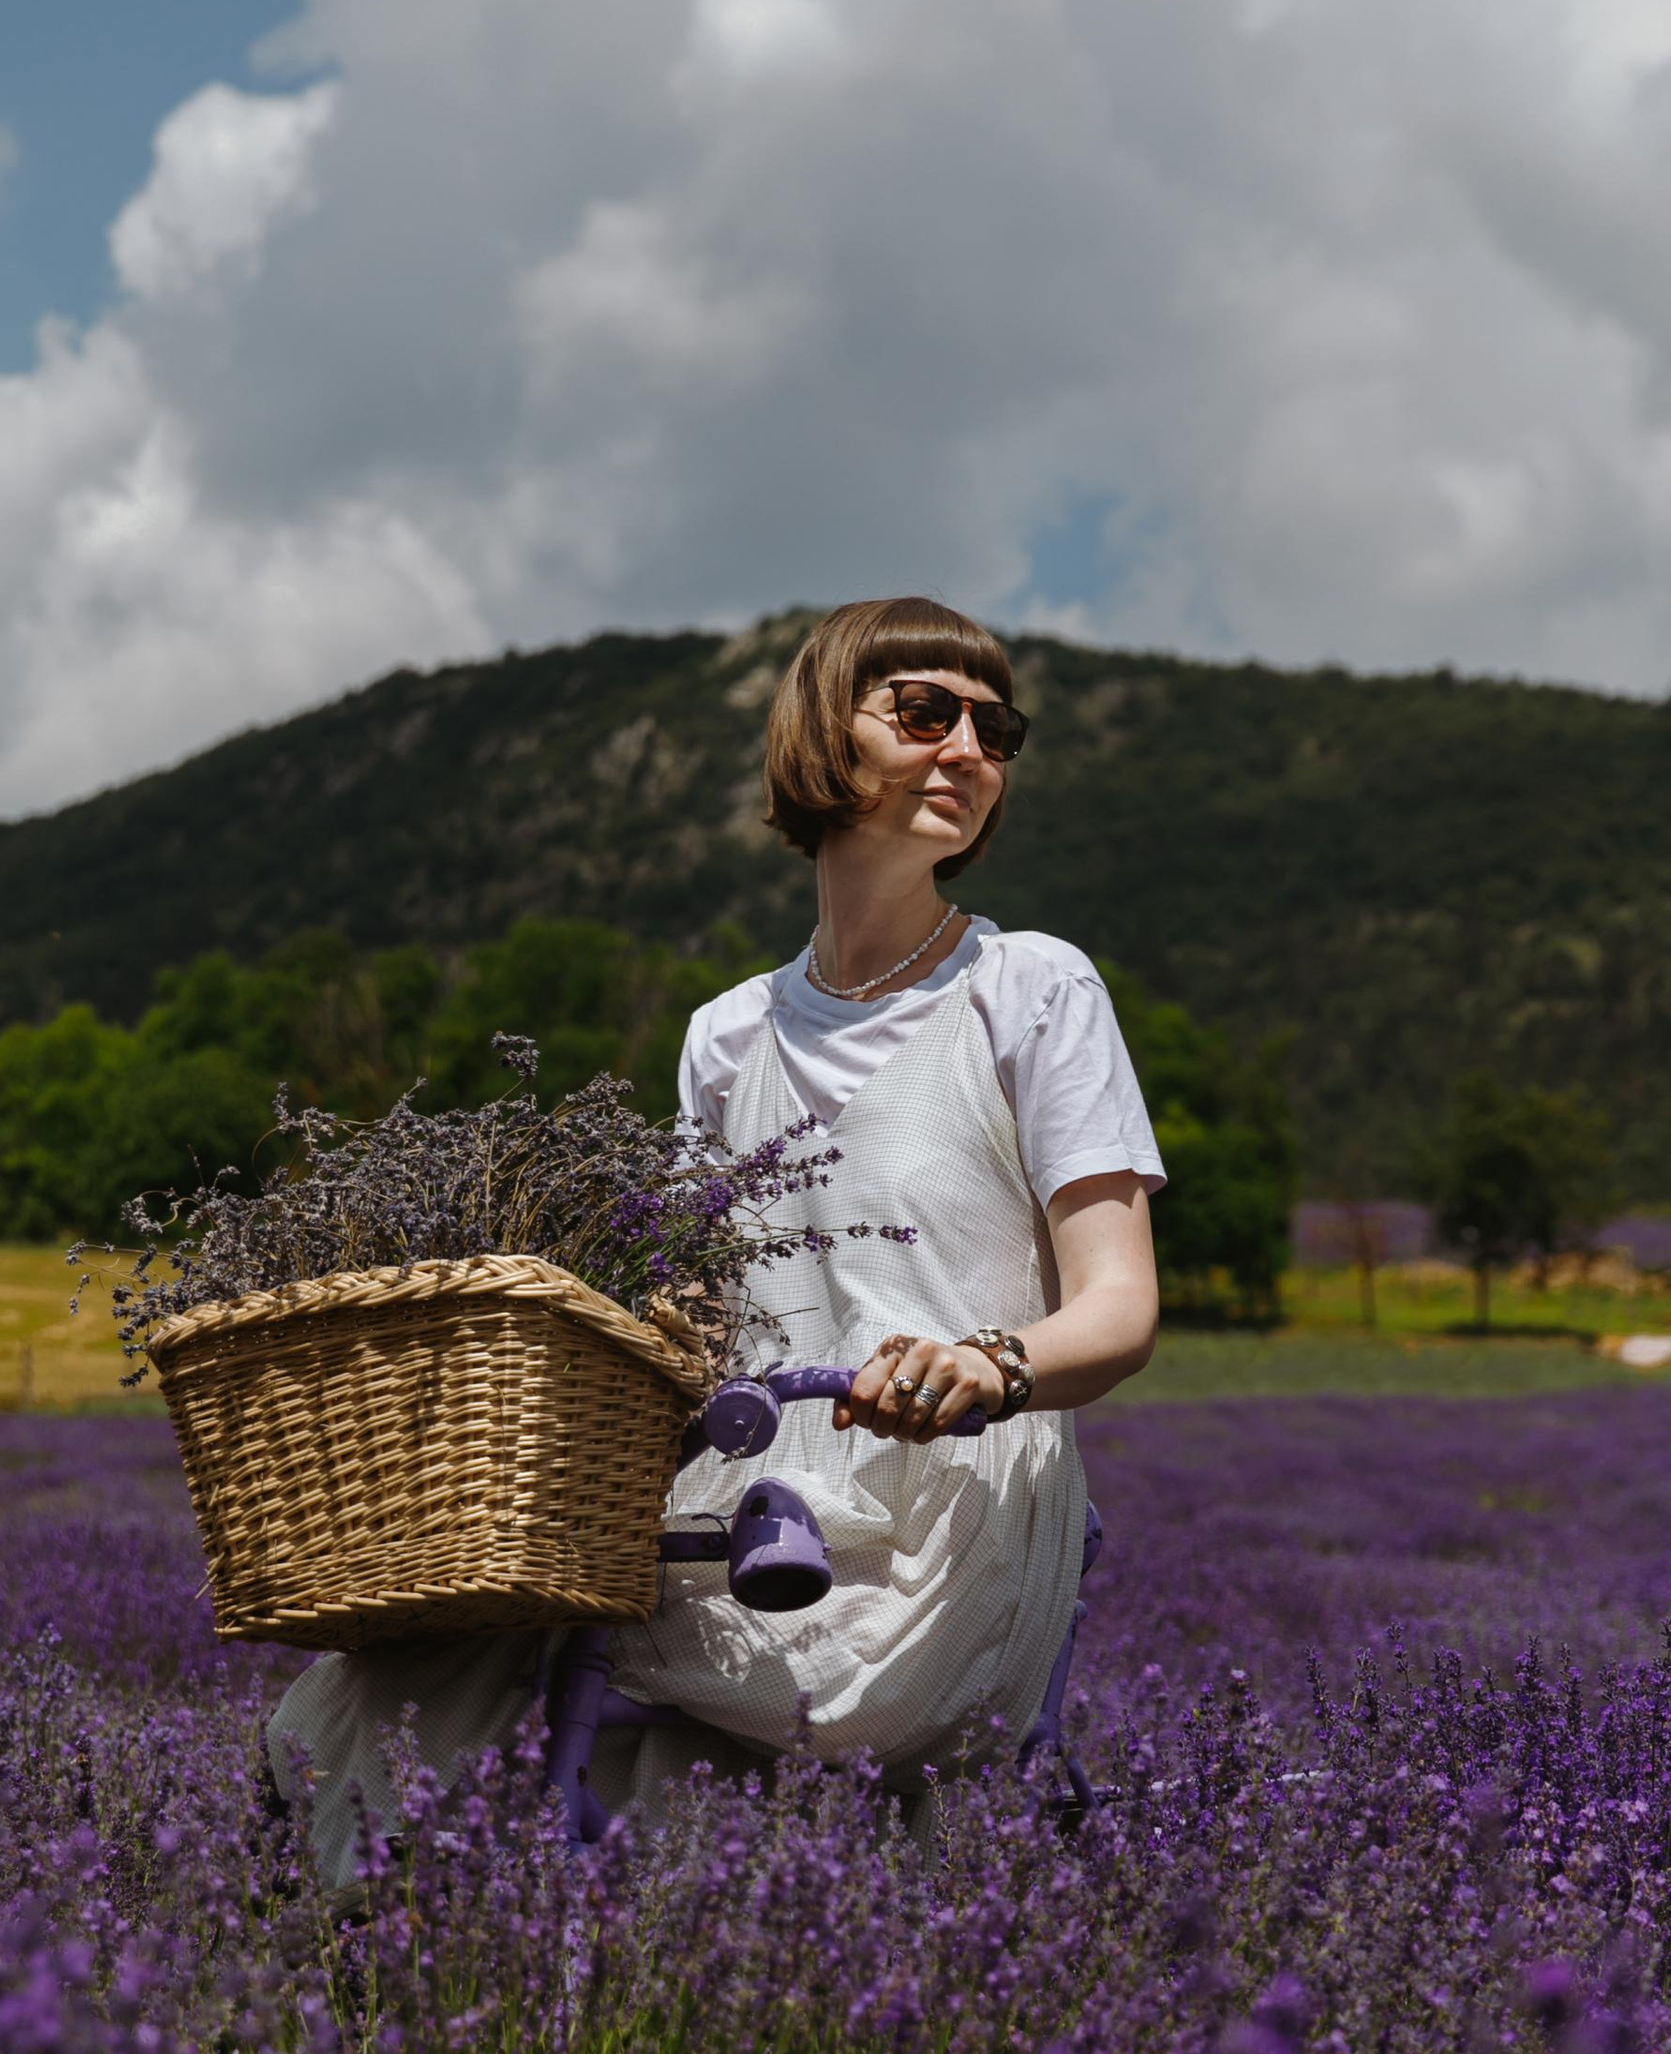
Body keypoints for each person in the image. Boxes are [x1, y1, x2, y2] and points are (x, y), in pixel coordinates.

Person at [267, 596, 1165, 1880]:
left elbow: (1118, 1307)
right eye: (922, 712)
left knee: (549, 1674)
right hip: (741, 1495)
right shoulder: (728, 1032)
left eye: (994, 725)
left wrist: (984, 1364)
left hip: (940, 1519)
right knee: (408, 1662)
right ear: (822, 731)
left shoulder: (1029, 989)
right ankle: (344, 1973)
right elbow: (703, 1307)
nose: (968, 748)